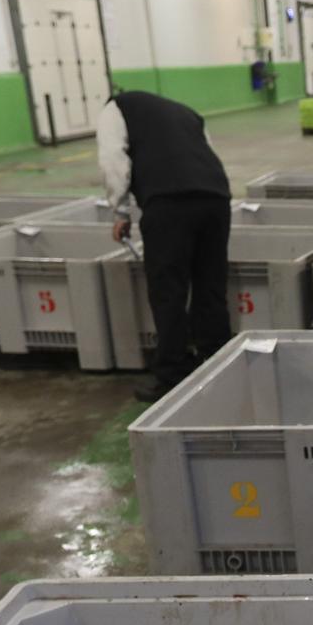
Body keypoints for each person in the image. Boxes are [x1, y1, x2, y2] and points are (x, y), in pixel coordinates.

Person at [97, 89, 234, 403]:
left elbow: (113, 159)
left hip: (169, 203)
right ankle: (218, 361)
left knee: (168, 290)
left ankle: (173, 373)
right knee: (210, 286)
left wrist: (118, 211)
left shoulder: (115, 109)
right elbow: (208, 152)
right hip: (215, 198)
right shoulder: (186, 110)